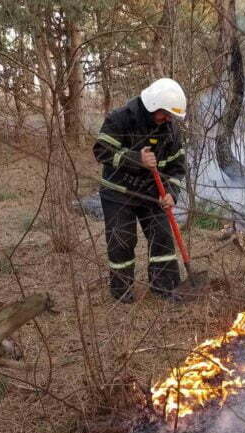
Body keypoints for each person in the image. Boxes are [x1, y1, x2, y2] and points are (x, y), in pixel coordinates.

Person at [92, 78, 187, 303]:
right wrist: (136, 159)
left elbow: (177, 166)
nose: (168, 118)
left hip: (152, 194)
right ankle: (121, 291)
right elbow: (101, 151)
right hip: (118, 193)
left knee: (162, 236)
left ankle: (165, 287)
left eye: (170, 115)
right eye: (164, 113)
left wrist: (171, 193)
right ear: (153, 105)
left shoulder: (170, 130)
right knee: (122, 240)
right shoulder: (121, 118)